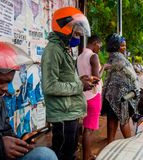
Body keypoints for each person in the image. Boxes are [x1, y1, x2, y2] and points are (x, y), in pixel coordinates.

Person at [41, 7, 92, 160]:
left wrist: (82, 80)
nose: (77, 38)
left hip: (69, 113)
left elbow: (65, 77)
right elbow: (50, 86)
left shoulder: (64, 49)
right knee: (63, 154)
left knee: (70, 152)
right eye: (76, 33)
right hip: (62, 115)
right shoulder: (53, 51)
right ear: (64, 29)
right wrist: (79, 85)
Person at [102, 34, 140, 144]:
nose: (124, 47)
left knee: (112, 120)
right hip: (122, 96)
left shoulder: (113, 57)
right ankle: (129, 143)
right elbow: (132, 77)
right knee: (124, 120)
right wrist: (136, 90)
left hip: (111, 95)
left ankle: (109, 145)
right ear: (116, 46)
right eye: (122, 45)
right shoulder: (119, 58)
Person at [77, 35, 104, 160]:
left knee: (86, 127)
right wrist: (104, 68)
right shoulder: (93, 56)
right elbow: (96, 79)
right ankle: (86, 157)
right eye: (100, 45)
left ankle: (87, 154)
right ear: (95, 43)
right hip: (93, 95)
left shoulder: (79, 57)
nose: (100, 48)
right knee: (88, 129)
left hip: (83, 95)